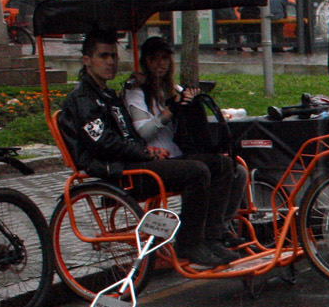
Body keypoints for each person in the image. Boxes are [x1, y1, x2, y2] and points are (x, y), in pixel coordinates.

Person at [59, 29, 239, 268]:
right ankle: (189, 243)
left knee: (223, 164)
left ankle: (212, 237)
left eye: (113, 56)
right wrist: (146, 152)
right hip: (118, 171)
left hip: (135, 161)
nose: (111, 62)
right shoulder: (84, 99)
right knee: (197, 171)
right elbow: (103, 143)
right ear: (86, 61)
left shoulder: (107, 94)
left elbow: (127, 132)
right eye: (104, 56)